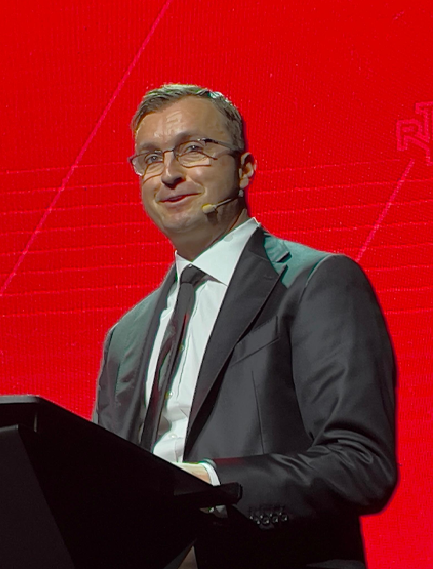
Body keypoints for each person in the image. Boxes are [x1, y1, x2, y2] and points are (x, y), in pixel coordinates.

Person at [93, 84, 397, 568]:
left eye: (193, 149)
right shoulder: (125, 336)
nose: (168, 174)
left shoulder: (314, 283)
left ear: (245, 168)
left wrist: (210, 485)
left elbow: (360, 463)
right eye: (150, 159)